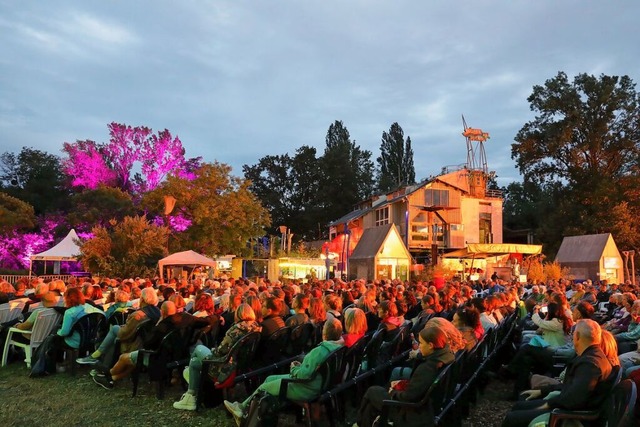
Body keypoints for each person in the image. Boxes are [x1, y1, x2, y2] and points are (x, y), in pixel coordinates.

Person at [223, 318, 345, 425]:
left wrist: (294, 368)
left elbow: (303, 375)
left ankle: (243, 411)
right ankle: (243, 408)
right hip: (318, 384)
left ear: (324, 333)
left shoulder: (320, 350)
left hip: (307, 388)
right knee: (269, 379)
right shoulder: (338, 347)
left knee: (265, 387)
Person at [501, 319, 615, 427]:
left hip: (568, 416)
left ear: (578, 336)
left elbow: (572, 399)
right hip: (567, 409)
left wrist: (548, 404)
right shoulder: (593, 356)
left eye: (573, 334)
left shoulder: (590, 364)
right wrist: (541, 391)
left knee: (512, 418)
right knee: (520, 403)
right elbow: (571, 387)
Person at [353, 325, 455, 427]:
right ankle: (364, 422)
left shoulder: (427, 368)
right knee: (371, 404)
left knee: (372, 391)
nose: (419, 346)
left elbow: (409, 397)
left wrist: (393, 392)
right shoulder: (446, 356)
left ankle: (360, 422)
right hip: (427, 405)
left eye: (421, 343)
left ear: (431, 345)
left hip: (412, 411)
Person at [173, 303, 262, 410]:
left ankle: (190, 395)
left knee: (198, 349)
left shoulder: (236, 329)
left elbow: (221, 351)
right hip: (239, 365)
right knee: (195, 362)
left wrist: (213, 350)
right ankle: (190, 396)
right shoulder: (256, 328)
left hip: (224, 366)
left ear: (238, 314)